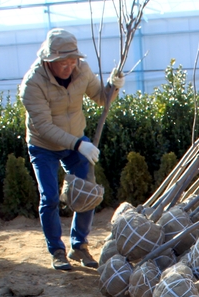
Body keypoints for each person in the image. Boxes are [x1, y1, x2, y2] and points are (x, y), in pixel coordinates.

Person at [20, 29, 124, 270]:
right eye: (62, 63)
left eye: (72, 61)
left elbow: (101, 97)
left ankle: (80, 246)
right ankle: (57, 250)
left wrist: (113, 86)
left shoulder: (82, 70)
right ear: (49, 61)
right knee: (50, 198)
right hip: (43, 145)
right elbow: (44, 127)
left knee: (87, 192)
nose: (68, 67)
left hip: (77, 138)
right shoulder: (32, 84)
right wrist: (79, 144)